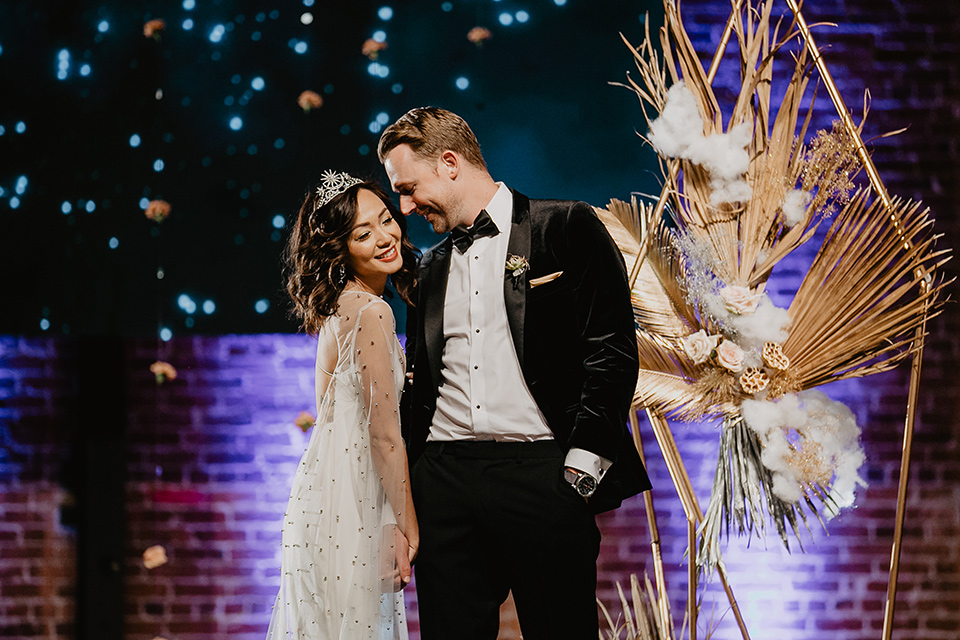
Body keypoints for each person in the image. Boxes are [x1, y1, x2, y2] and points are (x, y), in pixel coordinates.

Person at [378, 107, 652, 639]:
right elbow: (423, 382)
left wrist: (581, 469)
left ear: (450, 163)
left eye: (409, 189)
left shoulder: (567, 225)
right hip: (445, 482)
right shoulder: (429, 268)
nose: (406, 208)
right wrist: (414, 488)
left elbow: (611, 349)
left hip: (544, 476)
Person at [266, 170, 420, 639]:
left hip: (324, 505)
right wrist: (408, 528)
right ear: (340, 249)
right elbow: (383, 435)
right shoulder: (373, 311)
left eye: (386, 220)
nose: (385, 237)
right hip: (355, 511)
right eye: (362, 233)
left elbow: (331, 420)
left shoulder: (340, 309)